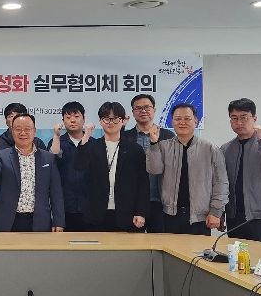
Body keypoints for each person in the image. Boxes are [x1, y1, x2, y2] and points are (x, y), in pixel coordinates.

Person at [146, 103, 229, 235]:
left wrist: (216, 211)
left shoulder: (210, 148)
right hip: (170, 215)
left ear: (196, 121)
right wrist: (153, 143)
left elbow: (221, 182)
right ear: (172, 122)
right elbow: (154, 170)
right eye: (178, 119)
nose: (182, 122)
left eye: (187, 118)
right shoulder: (163, 146)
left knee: (199, 249)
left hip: (200, 217)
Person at [75, 102, 149, 232]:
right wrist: (86, 136)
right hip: (96, 214)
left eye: (115, 118)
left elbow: (143, 183)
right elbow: (79, 166)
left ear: (123, 121)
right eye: (106, 118)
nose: (111, 122)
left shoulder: (134, 149)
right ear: (100, 121)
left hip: (128, 214)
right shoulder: (92, 147)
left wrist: (140, 212)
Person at [0, 113, 64, 232]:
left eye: (27, 129)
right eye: (18, 129)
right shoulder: (2, 155)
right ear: (12, 131)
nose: (23, 133)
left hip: (39, 220)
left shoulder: (48, 158)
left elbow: (56, 193)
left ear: (34, 131)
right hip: (8, 221)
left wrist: (59, 221)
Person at [221, 98, 261, 244]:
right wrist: (221, 212)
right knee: (236, 257)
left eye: (244, 118)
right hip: (235, 217)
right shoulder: (225, 149)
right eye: (234, 118)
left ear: (254, 119)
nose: (239, 123)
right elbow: (222, 183)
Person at [122, 94, 174, 233]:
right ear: (133, 112)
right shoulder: (125, 137)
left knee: (161, 241)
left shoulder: (168, 137)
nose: (143, 111)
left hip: (160, 201)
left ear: (154, 110)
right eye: (138, 108)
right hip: (133, 202)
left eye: (147, 107)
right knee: (132, 242)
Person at [46, 101, 87, 232]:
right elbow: (50, 166)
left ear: (84, 118)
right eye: (68, 117)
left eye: (76, 116)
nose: (72, 120)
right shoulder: (56, 142)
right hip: (64, 208)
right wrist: (56, 136)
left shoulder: (93, 143)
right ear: (63, 120)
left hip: (90, 207)